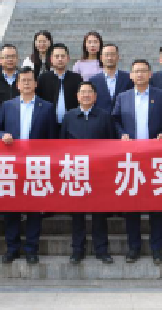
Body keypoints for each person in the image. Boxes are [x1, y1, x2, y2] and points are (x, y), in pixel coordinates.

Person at [112, 59, 162, 265]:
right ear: (131, 75)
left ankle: (157, 248)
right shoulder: (123, 97)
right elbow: (115, 120)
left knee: (157, 205)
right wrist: (121, 134)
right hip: (132, 159)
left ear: (150, 74)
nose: (139, 74)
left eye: (143, 71)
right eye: (136, 71)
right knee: (132, 205)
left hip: (155, 158)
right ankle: (134, 247)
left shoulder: (161, 95)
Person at [0, 66, 58, 264]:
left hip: (36, 165)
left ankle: (32, 249)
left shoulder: (47, 107)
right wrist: (2, 135)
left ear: (36, 84)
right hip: (12, 164)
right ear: (18, 85)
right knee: (11, 209)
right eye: (23, 80)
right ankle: (12, 248)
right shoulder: (7, 106)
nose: (27, 83)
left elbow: (52, 138)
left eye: (30, 80)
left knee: (34, 209)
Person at [61, 82, 116, 265]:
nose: (86, 95)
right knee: (77, 213)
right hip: (76, 171)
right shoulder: (69, 117)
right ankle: (77, 249)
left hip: (99, 172)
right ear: (77, 96)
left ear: (95, 96)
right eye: (82, 92)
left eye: (89, 92)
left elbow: (111, 144)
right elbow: (61, 144)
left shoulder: (104, 116)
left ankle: (102, 249)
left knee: (99, 213)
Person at [36, 43, 82, 126]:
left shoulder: (77, 78)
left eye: (63, 56)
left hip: (72, 123)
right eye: (57, 56)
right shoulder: (43, 78)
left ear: (68, 58)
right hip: (49, 124)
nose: (60, 59)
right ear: (51, 59)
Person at [89, 43, 133, 114]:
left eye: (112, 54)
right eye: (106, 55)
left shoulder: (128, 78)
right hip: (101, 118)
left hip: (123, 118)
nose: (109, 58)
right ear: (101, 58)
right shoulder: (93, 81)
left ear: (118, 57)